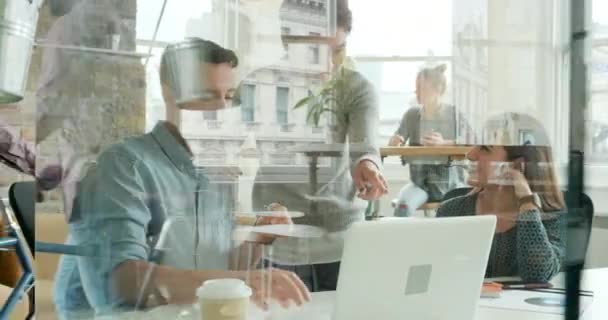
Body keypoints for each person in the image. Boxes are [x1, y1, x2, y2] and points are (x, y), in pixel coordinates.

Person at [53, 39, 310, 318]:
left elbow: (217, 267)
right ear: (168, 93)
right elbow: (120, 282)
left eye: (228, 97)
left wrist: (260, 239)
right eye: (206, 96)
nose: (221, 110)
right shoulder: (123, 166)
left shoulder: (214, 171)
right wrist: (249, 281)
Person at [252, 0, 387, 292]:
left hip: (341, 239)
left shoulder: (357, 88)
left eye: (337, 50)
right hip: (281, 240)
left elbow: (366, 146)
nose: (327, 64)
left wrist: (368, 165)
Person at [437, 113, 566, 282]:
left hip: (520, 309)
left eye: (485, 148)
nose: (470, 154)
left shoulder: (550, 216)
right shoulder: (452, 211)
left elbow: (537, 275)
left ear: (517, 165)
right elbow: (437, 277)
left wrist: (527, 203)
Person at [388, 64, 471, 216]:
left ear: (437, 89)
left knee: (452, 217)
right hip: (419, 185)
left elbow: (473, 142)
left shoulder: (454, 115)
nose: (416, 91)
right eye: (416, 87)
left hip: (449, 186)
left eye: (421, 87)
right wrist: (395, 140)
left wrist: (444, 144)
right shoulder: (411, 115)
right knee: (402, 209)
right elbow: (397, 139)